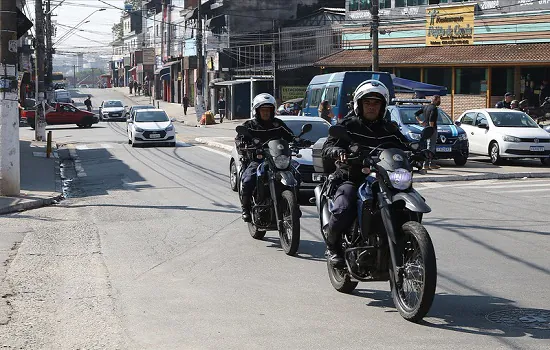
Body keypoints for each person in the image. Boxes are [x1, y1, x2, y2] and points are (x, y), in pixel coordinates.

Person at [321, 80, 411, 266]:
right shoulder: (348, 125)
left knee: (409, 203)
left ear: (383, 106)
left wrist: (420, 151)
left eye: (376, 103)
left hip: (385, 180)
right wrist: (338, 152)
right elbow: (328, 147)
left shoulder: (390, 129)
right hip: (352, 177)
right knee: (344, 207)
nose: (371, 107)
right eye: (367, 103)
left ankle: (410, 244)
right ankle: (333, 246)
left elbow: (405, 146)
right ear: (359, 104)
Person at [236, 93, 295, 222]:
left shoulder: (278, 124)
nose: (266, 113)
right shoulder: (249, 125)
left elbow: (290, 136)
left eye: (268, 110)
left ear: (273, 110)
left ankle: (294, 206)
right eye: (263, 110)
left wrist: (300, 140)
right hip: (258, 160)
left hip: (277, 160)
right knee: (248, 179)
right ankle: (245, 208)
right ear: (257, 111)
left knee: (296, 175)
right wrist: (243, 145)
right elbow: (240, 139)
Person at [415, 95, 441, 170]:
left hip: (426, 128)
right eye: (439, 100)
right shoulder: (434, 108)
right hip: (431, 129)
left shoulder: (426, 107)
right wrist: (431, 129)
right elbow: (431, 120)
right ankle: (427, 164)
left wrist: (420, 121)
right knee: (431, 147)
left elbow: (416, 114)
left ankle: (430, 163)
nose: (439, 101)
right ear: (436, 100)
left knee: (429, 146)